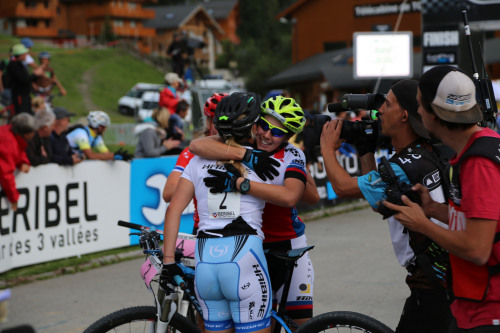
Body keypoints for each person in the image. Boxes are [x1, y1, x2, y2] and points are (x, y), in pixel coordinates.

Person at [320, 79, 454, 332]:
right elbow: (379, 202)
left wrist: (328, 149)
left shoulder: (402, 166)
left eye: (388, 104)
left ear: (404, 115)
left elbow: (342, 187)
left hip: (430, 284)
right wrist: (365, 152)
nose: (380, 110)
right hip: (440, 276)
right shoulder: (423, 152)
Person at [383, 65, 500, 332]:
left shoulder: (478, 163)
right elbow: (486, 220)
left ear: (434, 114)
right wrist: (434, 209)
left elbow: (477, 249)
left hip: (488, 310)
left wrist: (422, 225)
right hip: (471, 306)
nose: (418, 112)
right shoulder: (483, 143)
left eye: (420, 105)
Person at [189, 95, 319, 327]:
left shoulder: (292, 153)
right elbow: (196, 145)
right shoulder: (242, 145)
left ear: (288, 136)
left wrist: (242, 184)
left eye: (277, 132)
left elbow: (291, 197)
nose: (266, 135)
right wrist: (245, 155)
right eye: (264, 125)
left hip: (288, 246)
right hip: (250, 248)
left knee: (300, 324)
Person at [161, 92, 273, 333]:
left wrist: (168, 261)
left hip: (206, 259)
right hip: (245, 254)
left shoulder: (196, 160)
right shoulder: (264, 159)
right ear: (253, 126)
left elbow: (174, 210)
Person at [162, 93, 228, 232]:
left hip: (241, 230)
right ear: (208, 123)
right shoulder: (191, 152)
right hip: (203, 229)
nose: (224, 128)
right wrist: (198, 178)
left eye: (228, 122)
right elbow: (168, 193)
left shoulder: (245, 149)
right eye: (218, 122)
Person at [0, 113, 37, 211]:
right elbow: (6, 173)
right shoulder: (8, 142)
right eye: (33, 132)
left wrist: (23, 162)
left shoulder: (9, 132)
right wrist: (14, 198)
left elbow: (19, 150)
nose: (34, 134)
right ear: (26, 134)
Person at [5, 44, 42, 115]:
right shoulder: (14, 66)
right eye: (24, 54)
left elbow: (27, 79)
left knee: (28, 113)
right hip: (19, 95)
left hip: (25, 95)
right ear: (19, 55)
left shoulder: (20, 64)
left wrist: (35, 76)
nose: (26, 56)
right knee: (22, 114)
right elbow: (24, 80)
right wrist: (35, 74)